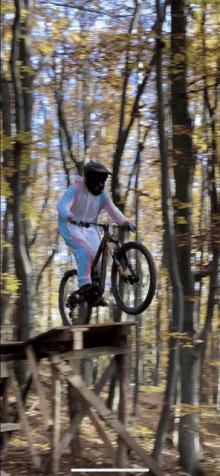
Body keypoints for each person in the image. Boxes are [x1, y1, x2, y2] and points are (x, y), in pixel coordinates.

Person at [57, 161, 135, 306]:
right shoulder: (76, 189)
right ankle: (85, 285)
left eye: (102, 182)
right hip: (70, 225)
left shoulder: (102, 195)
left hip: (90, 228)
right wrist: (70, 216)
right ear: (89, 179)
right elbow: (61, 206)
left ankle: (98, 293)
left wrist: (125, 222)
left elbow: (113, 210)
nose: (99, 185)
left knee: (99, 258)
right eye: (97, 182)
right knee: (85, 250)